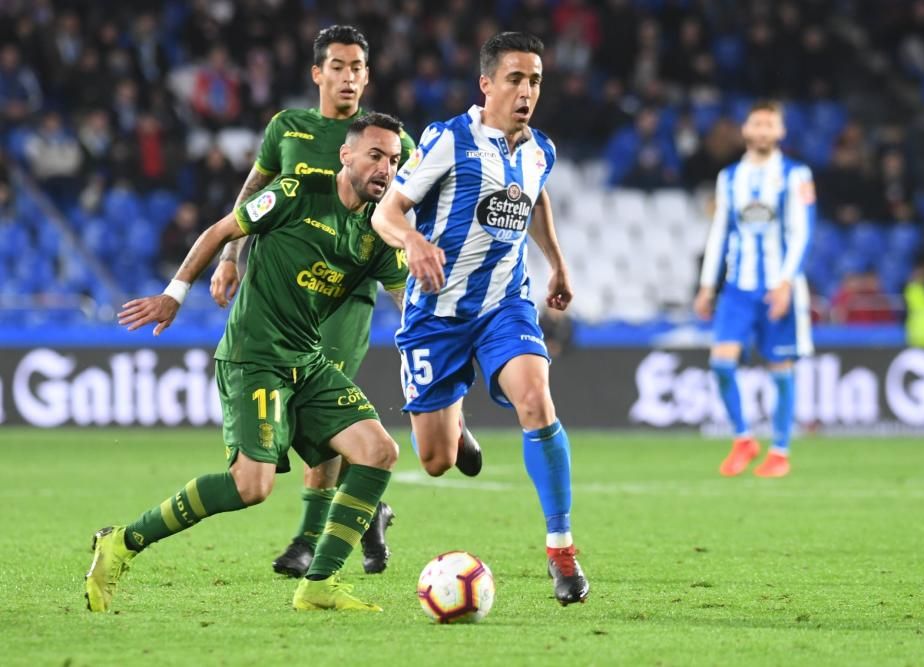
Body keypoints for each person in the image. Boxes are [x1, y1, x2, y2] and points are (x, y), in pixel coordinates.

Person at [86, 112, 407, 614]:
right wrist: (176, 292)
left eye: (394, 160)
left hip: (309, 359)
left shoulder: (379, 231)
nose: (385, 168)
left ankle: (320, 584)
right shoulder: (297, 190)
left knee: (378, 450)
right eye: (376, 155)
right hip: (254, 358)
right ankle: (122, 542)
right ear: (346, 155)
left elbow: (407, 300)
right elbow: (220, 230)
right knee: (251, 486)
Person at [209, 25, 481, 579]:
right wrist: (230, 257)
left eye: (359, 67)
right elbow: (251, 195)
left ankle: (311, 540)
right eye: (339, 66)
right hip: (283, 288)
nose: (350, 76)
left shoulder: (387, 143)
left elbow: (410, 208)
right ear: (318, 73)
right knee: (312, 422)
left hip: (353, 290)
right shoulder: (288, 129)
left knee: (324, 401)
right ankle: (366, 509)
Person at [372, 32, 589, 606]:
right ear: (487, 84)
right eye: (515, 79)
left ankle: (561, 550)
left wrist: (557, 265)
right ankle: (456, 422)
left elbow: (535, 198)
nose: (526, 91)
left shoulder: (540, 148)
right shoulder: (447, 139)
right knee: (438, 461)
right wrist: (414, 242)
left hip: (503, 305)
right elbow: (386, 212)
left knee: (537, 401)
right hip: (436, 312)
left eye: (535, 80)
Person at [694, 100, 816, 479]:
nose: (763, 130)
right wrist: (706, 285)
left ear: (780, 132)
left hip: (778, 288)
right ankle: (744, 438)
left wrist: (785, 282)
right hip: (737, 288)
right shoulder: (729, 177)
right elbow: (719, 232)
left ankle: (780, 451)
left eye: (770, 124)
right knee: (721, 363)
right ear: (746, 130)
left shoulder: (797, 174)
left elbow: (802, 231)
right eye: (757, 123)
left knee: (781, 369)